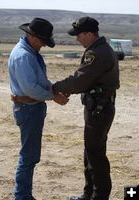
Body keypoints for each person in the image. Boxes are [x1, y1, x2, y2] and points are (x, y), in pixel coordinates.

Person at [52, 16, 120, 200]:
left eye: (79, 35)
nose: (77, 39)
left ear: (89, 34)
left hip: (99, 109)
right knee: (91, 152)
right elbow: (85, 80)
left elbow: (80, 80)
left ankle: (98, 196)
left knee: (95, 154)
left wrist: (53, 88)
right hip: (99, 107)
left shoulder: (97, 52)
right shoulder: (101, 49)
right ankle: (89, 193)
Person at [8, 17, 68, 200]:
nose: (42, 45)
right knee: (28, 157)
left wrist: (53, 88)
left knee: (30, 155)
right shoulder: (24, 56)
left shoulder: (30, 53)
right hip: (28, 108)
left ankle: (24, 195)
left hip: (30, 108)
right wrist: (53, 97)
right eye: (42, 41)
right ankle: (22, 196)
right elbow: (30, 89)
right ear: (33, 37)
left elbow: (39, 82)